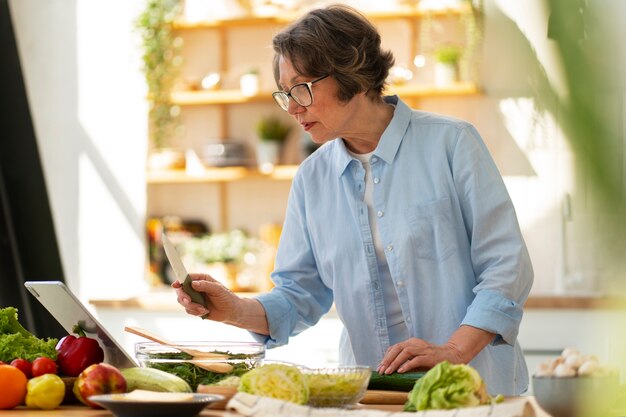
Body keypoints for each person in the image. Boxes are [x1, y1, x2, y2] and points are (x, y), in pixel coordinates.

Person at [173, 4, 533, 396]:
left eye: (301, 88)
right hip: (372, 397)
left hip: (473, 393)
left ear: (352, 74)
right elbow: (299, 294)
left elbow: (505, 267)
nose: (292, 107)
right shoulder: (312, 178)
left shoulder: (452, 144)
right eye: (284, 93)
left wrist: (453, 351)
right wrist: (235, 310)